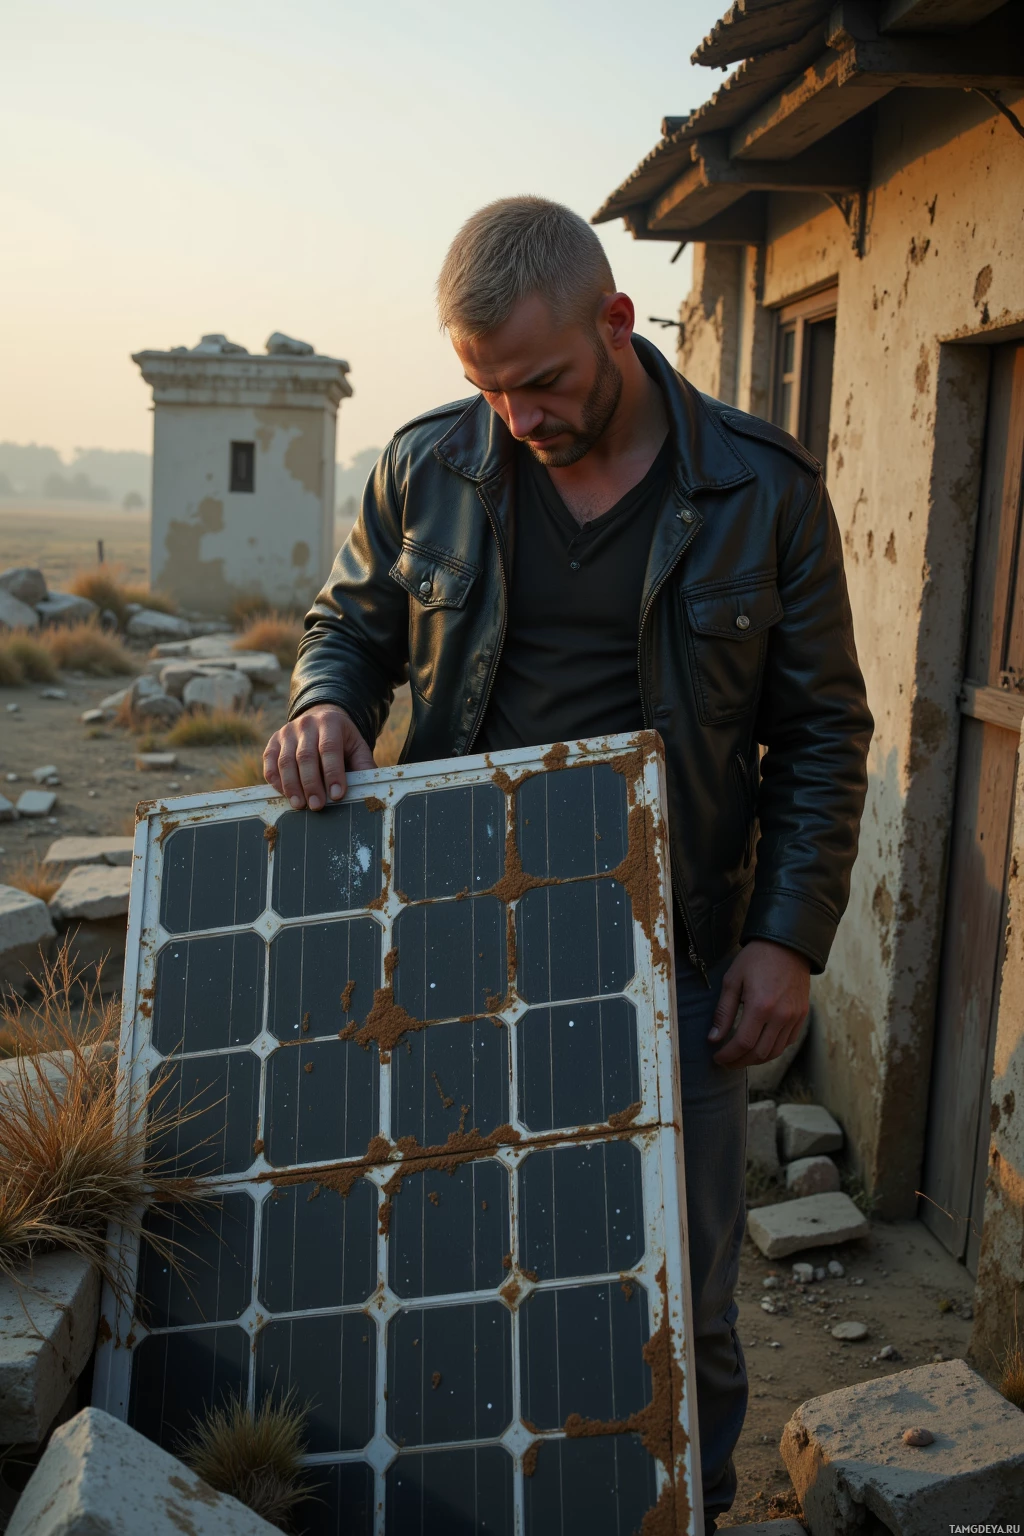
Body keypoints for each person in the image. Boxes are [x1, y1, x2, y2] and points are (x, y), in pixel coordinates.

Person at [264, 196, 872, 1529]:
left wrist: (788, 936)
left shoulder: (761, 493)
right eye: (488, 389)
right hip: (446, 945)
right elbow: (349, 627)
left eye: (540, 384)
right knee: (443, 1257)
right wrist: (325, 699)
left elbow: (824, 730)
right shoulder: (432, 467)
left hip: (679, 960)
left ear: (617, 322)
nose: (518, 419)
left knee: (672, 1292)